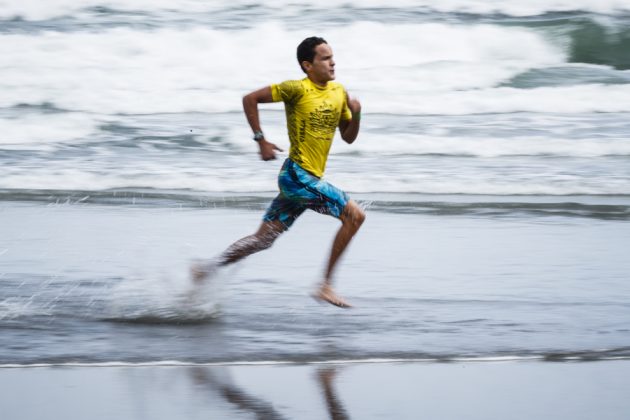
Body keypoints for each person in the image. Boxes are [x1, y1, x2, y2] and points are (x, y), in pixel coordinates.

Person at [193, 36, 365, 308]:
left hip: (305, 180)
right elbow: (250, 99)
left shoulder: (339, 92)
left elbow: (348, 137)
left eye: (332, 57)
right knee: (355, 216)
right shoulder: (295, 89)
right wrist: (260, 140)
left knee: (263, 240)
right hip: (298, 176)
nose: (332, 62)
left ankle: (207, 269)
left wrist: (355, 114)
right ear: (307, 65)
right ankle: (325, 285)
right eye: (324, 58)